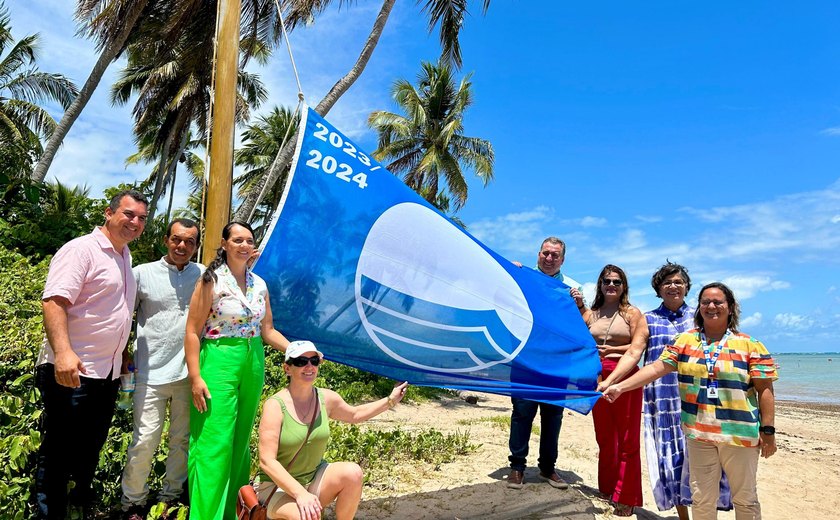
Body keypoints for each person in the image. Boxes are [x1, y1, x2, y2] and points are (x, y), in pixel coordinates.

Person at [603, 282, 778, 520]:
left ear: (730, 307)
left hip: (739, 436)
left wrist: (768, 431)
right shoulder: (685, 341)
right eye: (705, 302)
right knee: (701, 498)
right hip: (698, 435)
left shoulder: (751, 345)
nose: (711, 306)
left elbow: (765, 390)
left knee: (745, 499)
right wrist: (620, 387)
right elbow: (656, 368)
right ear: (699, 307)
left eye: (718, 302)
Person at [34, 189, 148, 519]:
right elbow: (54, 301)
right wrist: (63, 352)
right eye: (129, 214)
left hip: (106, 374)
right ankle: (49, 514)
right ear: (108, 213)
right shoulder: (81, 250)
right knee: (58, 452)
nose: (135, 222)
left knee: (88, 449)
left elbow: (112, 311)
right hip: (72, 371)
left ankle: (77, 508)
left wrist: (121, 353)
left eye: (142, 218)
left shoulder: (124, 257)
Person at [598, 262, 731, 519]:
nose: (673, 286)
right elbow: (634, 352)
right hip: (661, 399)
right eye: (667, 282)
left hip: (700, 398)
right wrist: (611, 381)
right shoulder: (648, 319)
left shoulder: (701, 315)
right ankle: (684, 516)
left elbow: (726, 344)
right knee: (671, 459)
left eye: (678, 282)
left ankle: (705, 512)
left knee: (705, 457)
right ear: (658, 289)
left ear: (687, 287)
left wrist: (753, 365)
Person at [184, 221, 291, 520]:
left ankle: (234, 512)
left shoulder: (260, 284)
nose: (244, 245)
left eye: (249, 241)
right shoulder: (211, 280)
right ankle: (206, 515)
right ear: (225, 244)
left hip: (252, 359)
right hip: (218, 359)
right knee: (214, 441)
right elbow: (192, 331)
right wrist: (195, 377)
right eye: (237, 240)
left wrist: (297, 350)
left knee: (241, 439)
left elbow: (268, 331)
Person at [257, 340, 408, 520]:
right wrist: (300, 493)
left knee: (353, 473)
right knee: (305, 516)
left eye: (314, 361)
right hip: (276, 487)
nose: (309, 366)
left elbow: (355, 414)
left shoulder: (326, 398)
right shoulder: (275, 405)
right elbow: (267, 461)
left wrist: (390, 400)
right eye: (301, 361)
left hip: (313, 479)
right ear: (287, 368)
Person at [120, 218, 203, 519]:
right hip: (148, 371)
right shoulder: (141, 274)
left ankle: (170, 499)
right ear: (166, 240)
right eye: (177, 239)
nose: (182, 246)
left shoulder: (204, 275)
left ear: (196, 245)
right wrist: (123, 355)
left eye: (190, 241)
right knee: (144, 440)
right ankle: (133, 501)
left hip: (188, 375)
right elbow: (123, 317)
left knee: (181, 440)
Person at [506, 236, 584, 490]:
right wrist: (508, 272)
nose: (549, 258)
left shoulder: (572, 288)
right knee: (522, 414)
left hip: (557, 364)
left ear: (563, 259)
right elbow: (500, 297)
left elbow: (581, 326)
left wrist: (579, 305)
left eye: (555, 255)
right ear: (538, 254)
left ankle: (548, 468)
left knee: (553, 417)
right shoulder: (522, 277)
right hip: (526, 359)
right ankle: (517, 467)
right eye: (545, 253)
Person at [582, 264, 648, 517]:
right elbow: (577, 342)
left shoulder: (632, 314)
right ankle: (608, 487)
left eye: (616, 282)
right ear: (600, 284)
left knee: (628, 438)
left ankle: (626, 496)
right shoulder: (591, 314)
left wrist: (613, 354)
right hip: (596, 378)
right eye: (607, 281)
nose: (611, 285)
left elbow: (637, 348)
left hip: (625, 378)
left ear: (624, 286)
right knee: (605, 436)